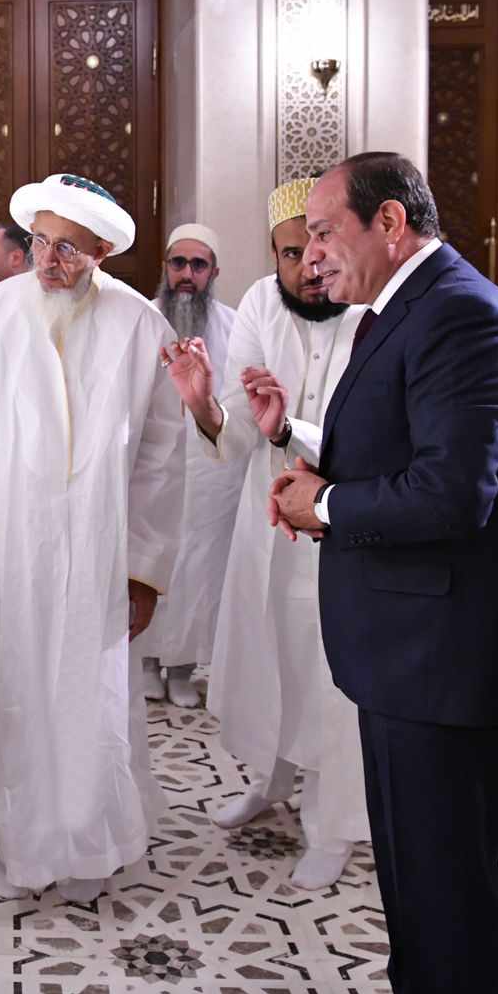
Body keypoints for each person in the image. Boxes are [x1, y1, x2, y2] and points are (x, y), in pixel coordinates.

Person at [269, 153, 498, 992]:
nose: (311, 253)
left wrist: (325, 507)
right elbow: (407, 446)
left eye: (325, 232)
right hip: (413, 650)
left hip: (450, 654)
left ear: (390, 223)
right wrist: (309, 462)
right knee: (417, 883)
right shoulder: (409, 309)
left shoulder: (461, 317)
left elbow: (450, 494)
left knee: (444, 893)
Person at [0, 173, 183, 901]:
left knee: (88, 693)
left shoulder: (140, 324)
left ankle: (87, 834)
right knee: (10, 685)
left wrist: (145, 568)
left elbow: (160, 455)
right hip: (6, 541)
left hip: (100, 549)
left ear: (102, 253)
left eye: (68, 249)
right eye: (41, 243)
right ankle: (13, 825)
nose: (48, 261)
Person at [162, 177, 369, 890]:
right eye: (290, 252)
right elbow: (238, 427)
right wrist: (203, 406)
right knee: (272, 657)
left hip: (344, 525)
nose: (308, 265)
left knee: (335, 677)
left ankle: (333, 823)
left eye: (320, 245)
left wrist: (289, 431)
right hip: (269, 523)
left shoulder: (369, 311)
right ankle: (273, 781)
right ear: (272, 254)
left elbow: (367, 438)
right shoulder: (259, 303)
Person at [140, 223, 240, 708]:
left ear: (213, 273)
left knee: (199, 568)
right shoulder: (141, 320)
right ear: (166, 267)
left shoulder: (235, 327)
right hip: (150, 467)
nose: (186, 274)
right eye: (178, 263)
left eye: (198, 265)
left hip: (209, 473)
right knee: (148, 559)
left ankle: (181, 668)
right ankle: (144, 663)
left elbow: (239, 404)